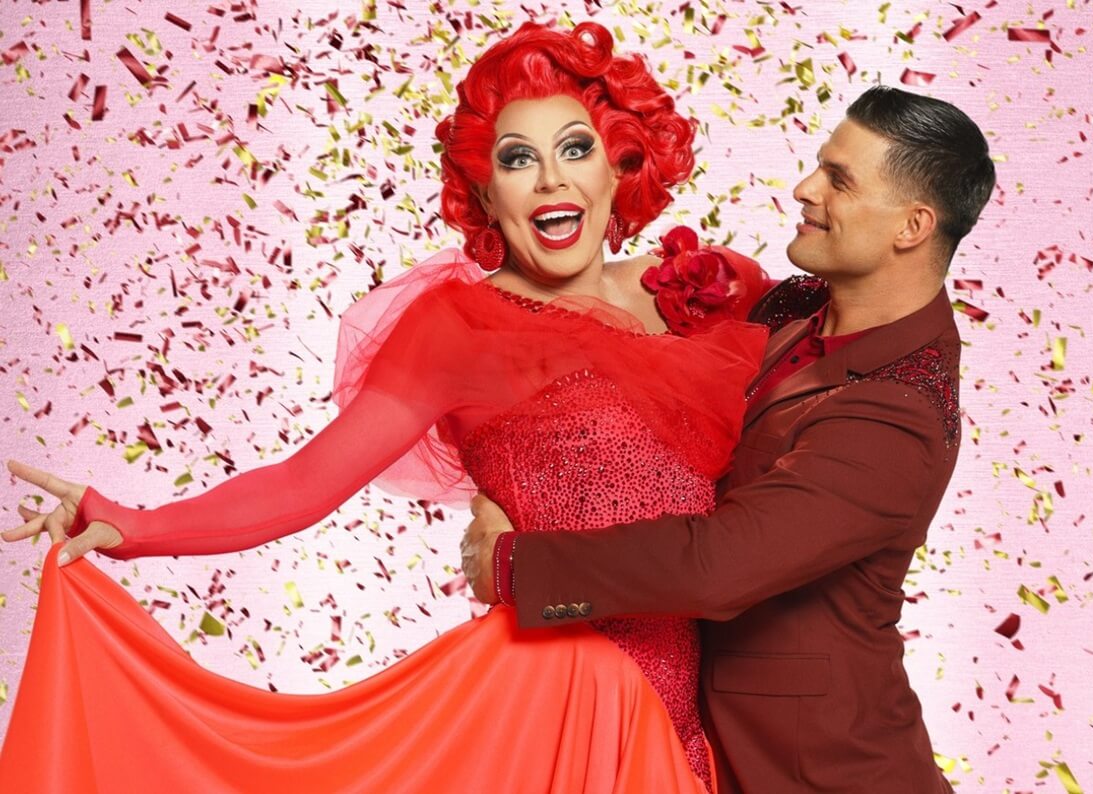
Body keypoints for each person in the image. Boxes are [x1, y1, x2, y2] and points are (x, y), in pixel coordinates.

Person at [0, 22, 772, 792]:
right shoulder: (457, 330)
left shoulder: (704, 290)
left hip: (689, 718)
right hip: (552, 700)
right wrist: (132, 525)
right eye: (516, 160)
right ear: (484, 193)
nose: (549, 180)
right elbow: (303, 484)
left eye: (575, 148)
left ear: (620, 164)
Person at [461, 86, 997, 793]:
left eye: (839, 180)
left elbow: (719, 565)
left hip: (825, 774)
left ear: (911, 226)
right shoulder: (794, 305)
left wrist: (515, 568)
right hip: (696, 746)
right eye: (818, 164)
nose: (804, 189)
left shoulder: (897, 416)